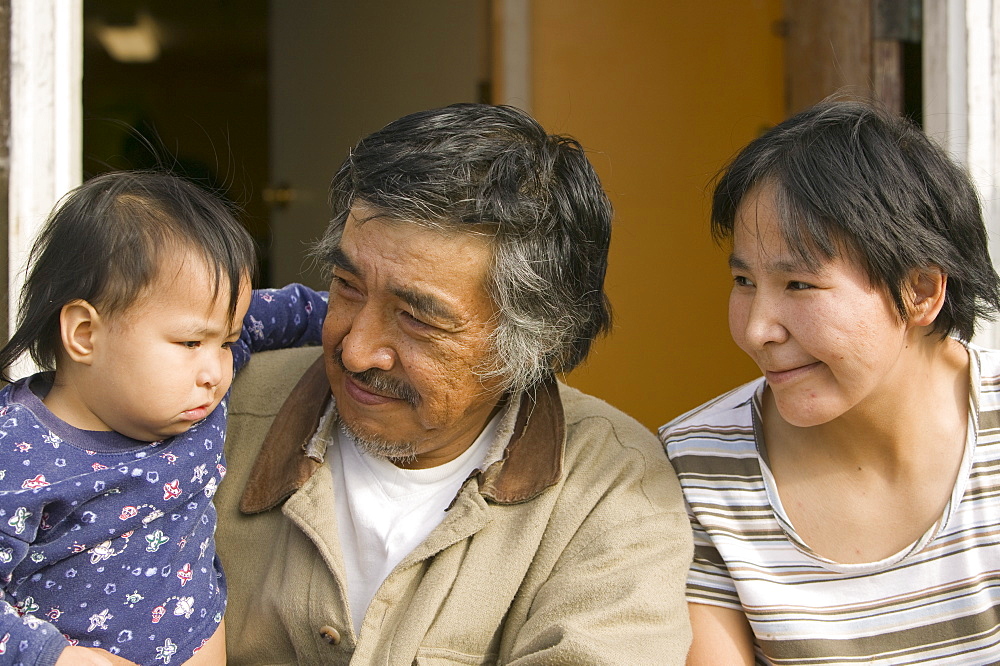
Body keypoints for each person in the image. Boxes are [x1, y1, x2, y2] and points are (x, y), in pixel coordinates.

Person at [213, 103, 693, 664]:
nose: (355, 348)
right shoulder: (213, 412)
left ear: (535, 342)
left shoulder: (611, 485)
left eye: (418, 318)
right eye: (347, 285)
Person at [660, 100, 1000, 664]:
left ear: (920, 290)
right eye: (743, 280)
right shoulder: (696, 468)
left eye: (798, 284)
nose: (757, 329)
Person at [0, 171, 326, 666]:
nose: (216, 370)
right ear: (85, 334)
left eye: (229, 341)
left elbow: (294, 312)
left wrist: (369, 323)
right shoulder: (17, 450)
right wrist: (55, 658)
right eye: (191, 343)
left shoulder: (196, 384)